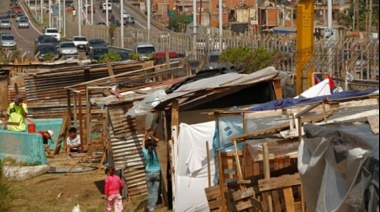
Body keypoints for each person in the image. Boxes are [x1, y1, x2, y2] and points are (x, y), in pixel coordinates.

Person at [142, 128, 161, 212]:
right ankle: (153, 207)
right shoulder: (157, 151)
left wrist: (146, 132)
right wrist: (151, 135)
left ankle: (150, 208)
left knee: (150, 191)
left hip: (149, 173)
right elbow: (158, 140)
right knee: (155, 191)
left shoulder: (145, 152)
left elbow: (143, 140)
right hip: (157, 172)